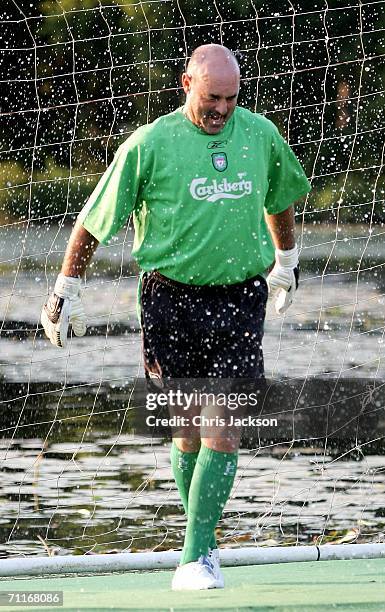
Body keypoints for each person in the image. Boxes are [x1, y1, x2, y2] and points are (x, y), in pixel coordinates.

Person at [41, 44, 311, 590]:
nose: (222, 109)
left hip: (239, 298)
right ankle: (202, 543)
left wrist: (285, 262)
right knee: (187, 430)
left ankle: (194, 555)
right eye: (212, 98)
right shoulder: (150, 143)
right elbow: (95, 222)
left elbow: (281, 195)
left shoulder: (259, 133)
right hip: (169, 300)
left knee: (225, 425)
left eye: (232, 99)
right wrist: (64, 291)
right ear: (186, 83)